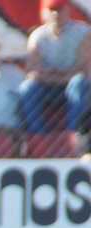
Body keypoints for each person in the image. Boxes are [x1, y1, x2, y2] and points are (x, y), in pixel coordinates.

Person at [19, 0, 91, 135]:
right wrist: (62, 75)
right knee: (27, 88)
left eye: (60, 9)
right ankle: (38, 135)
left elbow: (85, 70)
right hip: (49, 87)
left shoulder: (83, 32)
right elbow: (32, 72)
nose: (56, 14)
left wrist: (51, 75)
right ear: (43, 13)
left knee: (78, 82)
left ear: (68, 10)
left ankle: (73, 134)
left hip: (75, 86)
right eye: (52, 10)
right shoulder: (37, 37)